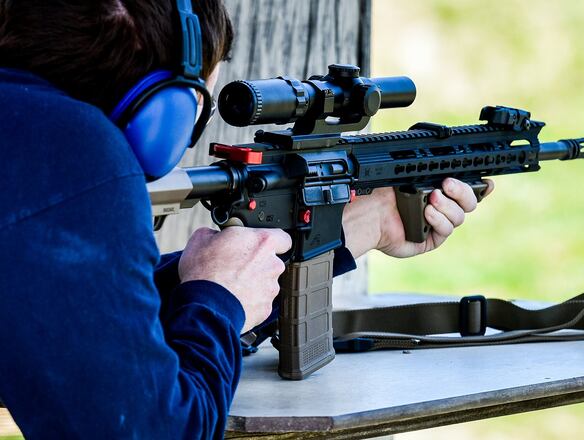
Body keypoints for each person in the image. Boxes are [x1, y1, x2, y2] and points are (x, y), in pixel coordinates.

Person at [0, 0, 492, 438]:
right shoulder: (74, 152)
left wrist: (363, 226)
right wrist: (218, 301)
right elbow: (154, 427)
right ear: (163, 107)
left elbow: (63, 317)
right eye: (197, 105)